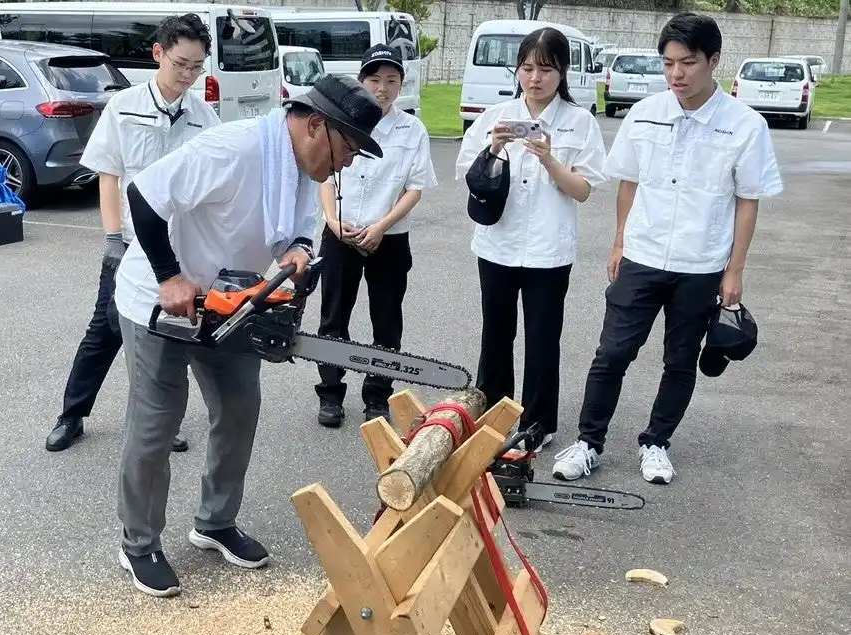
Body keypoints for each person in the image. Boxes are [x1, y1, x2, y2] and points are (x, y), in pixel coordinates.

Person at [113, 74, 384, 598]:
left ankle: (214, 522)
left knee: (239, 409)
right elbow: (143, 195)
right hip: (161, 298)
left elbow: (301, 228)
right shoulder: (232, 149)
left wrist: (300, 250)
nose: (348, 162)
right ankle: (138, 543)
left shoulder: (303, 167)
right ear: (316, 125)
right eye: (349, 148)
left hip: (230, 301)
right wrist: (169, 276)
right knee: (157, 422)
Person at [552, 12, 783, 485]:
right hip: (642, 254)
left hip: (701, 263)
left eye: (688, 63)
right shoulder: (644, 113)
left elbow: (747, 201)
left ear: (714, 61)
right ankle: (588, 442)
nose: (676, 74)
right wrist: (619, 241)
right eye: (669, 63)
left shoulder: (745, 125)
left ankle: (656, 443)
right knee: (612, 353)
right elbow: (629, 183)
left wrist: (734, 270)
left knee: (680, 360)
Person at [44, 13, 220, 453]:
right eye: (180, 64)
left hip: (178, 251)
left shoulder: (204, 117)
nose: (188, 75)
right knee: (105, 331)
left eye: (197, 67)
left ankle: (162, 421)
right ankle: (72, 414)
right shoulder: (123, 107)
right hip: (130, 245)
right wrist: (111, 240)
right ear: (158, 53)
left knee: (168, 335)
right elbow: (109, 175)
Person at [454, 27, 607, 453]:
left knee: (542, 339)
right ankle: (492, 415)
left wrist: (550, 160)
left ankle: (538, 423)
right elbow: (468, 175)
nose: (535, 78)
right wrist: (494, 148)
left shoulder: (579, 123)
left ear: (562, 72)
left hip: (548, 251)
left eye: (546, 69)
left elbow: (584, 190)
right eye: (526, 68)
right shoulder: (496, 116)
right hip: (497, 245)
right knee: (496, 334)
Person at [315, 44, 437, 428]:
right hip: (341, 233)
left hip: (390, 237)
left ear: (401, 84)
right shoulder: (340, 120)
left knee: (386, 321)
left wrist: (381, 226)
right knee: (333, 318)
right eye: (374, 80)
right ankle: (330, 394)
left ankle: (378, 396)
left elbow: (415, 188)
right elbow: (324, 174)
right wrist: (332, 221)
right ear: (361, 81)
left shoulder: (412, 129)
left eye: (391, 80)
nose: (382, 88)